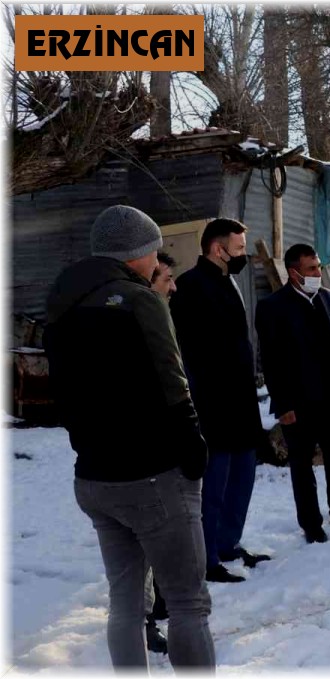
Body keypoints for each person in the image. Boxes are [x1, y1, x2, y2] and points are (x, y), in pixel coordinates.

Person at [44, 205, 215, 670]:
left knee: (124, 605)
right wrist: (193, 442)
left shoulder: (61, 302)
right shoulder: (140, 300)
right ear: (137, 252)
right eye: (153, 250)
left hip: (94, 476)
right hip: (152, 474)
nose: (156, 259)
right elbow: (171, 378)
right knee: (187, 603)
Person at [170, 218, 270, 584]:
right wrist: (198, 404)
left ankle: (229, 543)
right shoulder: (190, 287)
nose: (243, 255)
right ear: (217, 248)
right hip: (212, 404)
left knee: (242, 479)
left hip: (242, 400)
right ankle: (207, 557)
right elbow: (189, 352)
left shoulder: (229, 280)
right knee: (213, 486)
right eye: (240, 248)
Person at [256, 243, 330, 544]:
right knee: (302, 465)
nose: (317, 273)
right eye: (311, 269)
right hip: (299, 403)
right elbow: (271, 360)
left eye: (318, 267)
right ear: (294, 273)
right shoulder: (273, 307)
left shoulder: (327, 298)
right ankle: (311, 525)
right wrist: (282, 404)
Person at [146, 253, 175, 654]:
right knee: (147, 543)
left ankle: (161, 603)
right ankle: (146, 617)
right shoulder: (139, 323)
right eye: (167, 278)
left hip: (167, 451)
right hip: (144, 458)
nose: (172, 286)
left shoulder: (164, 317)